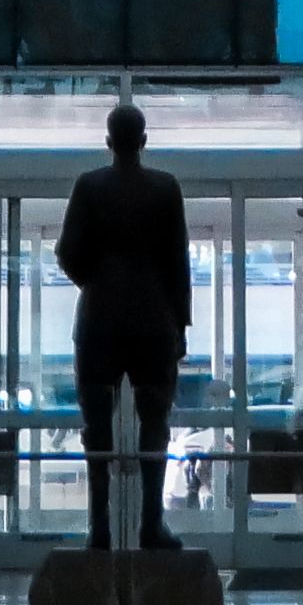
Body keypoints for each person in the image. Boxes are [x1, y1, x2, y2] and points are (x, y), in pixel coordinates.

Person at [53, 103, 190, 555]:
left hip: (99, 321)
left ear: (108, 141)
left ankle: (99, 529)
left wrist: (97, 281)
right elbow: (178, 263)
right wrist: (179, 322)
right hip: (155, 321)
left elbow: (67, 251)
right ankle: (151, 525)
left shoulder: (89, 186)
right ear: (144, 140)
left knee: (96, 432)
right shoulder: (166, 188)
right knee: (156, 426)